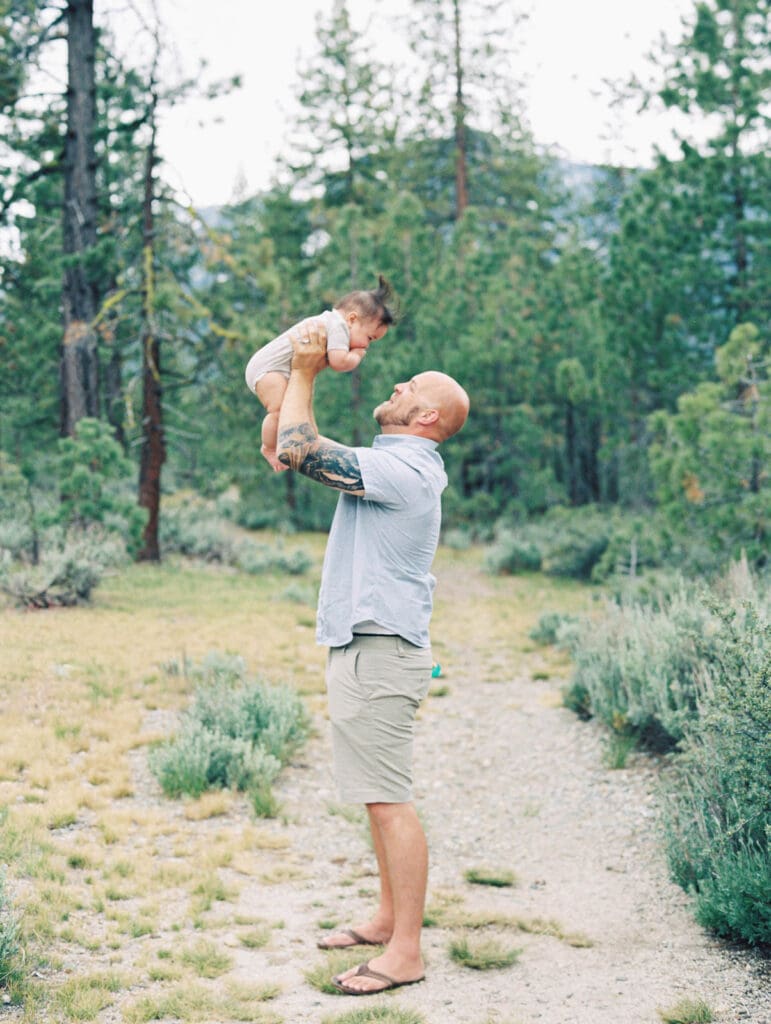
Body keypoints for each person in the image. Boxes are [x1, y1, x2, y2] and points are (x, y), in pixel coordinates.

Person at [275, 319, 469, 996]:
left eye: (408, 385)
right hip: (366, 645)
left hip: (380, 650)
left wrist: (303, 373)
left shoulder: (407, 468)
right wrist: (284, 390)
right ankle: (388, 918)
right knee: (372, 794)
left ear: (424, 415)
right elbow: (288, 444)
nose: (395, 383)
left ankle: (406, 953)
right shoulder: (392, 462)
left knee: (388, 800)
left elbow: (300, 451)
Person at [245, 277, 394, 471]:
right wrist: (355, 357)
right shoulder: (338, 326)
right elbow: (339, 363)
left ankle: (280, 444)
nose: (366, 345)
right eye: (369, 338)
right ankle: (269, 447)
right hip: (268, 369)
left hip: (270, 367)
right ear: (352, 319)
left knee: (293, 410)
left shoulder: (330, 322)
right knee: (281, 412)